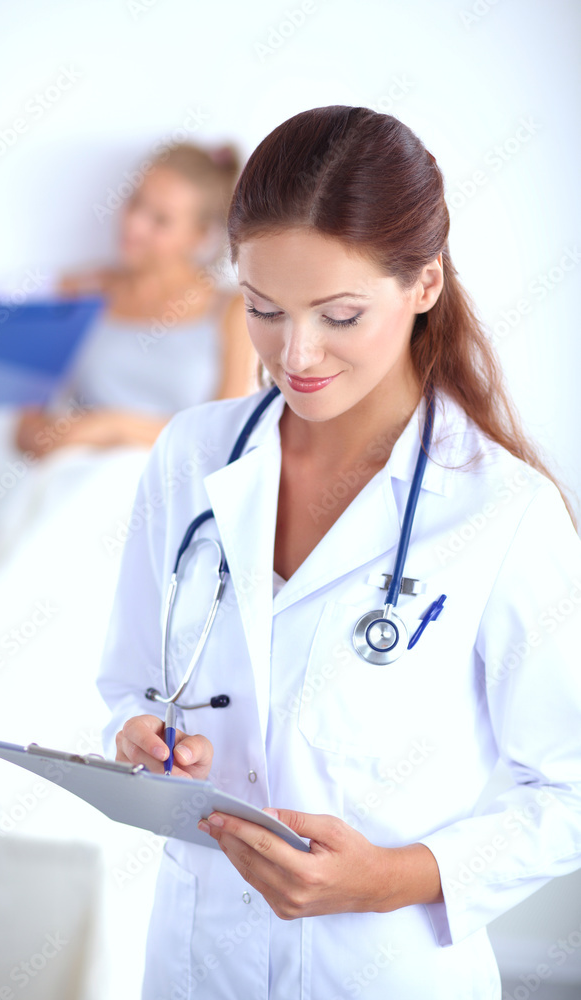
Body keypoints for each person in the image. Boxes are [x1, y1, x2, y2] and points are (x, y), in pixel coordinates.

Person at [97, 106, 581, 999]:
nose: (296, 354)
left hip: (382, 968)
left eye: (340, 314)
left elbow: (567, 789)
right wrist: (142, 740)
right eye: (264, 310)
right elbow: (127, 684)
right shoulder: (192, 457)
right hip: (195, 960)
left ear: (424, 284)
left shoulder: (502, 511)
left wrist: (392, 878)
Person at [15, 141, 256, 457]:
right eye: (134, 202)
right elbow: (25, 433)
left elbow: (224, 444)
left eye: (160, 220)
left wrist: (114, 428)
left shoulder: (232, 312)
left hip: (173, 494)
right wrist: (64, 439)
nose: (134, 225)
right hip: (75, 486)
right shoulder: (76, 292)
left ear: (199, 236)